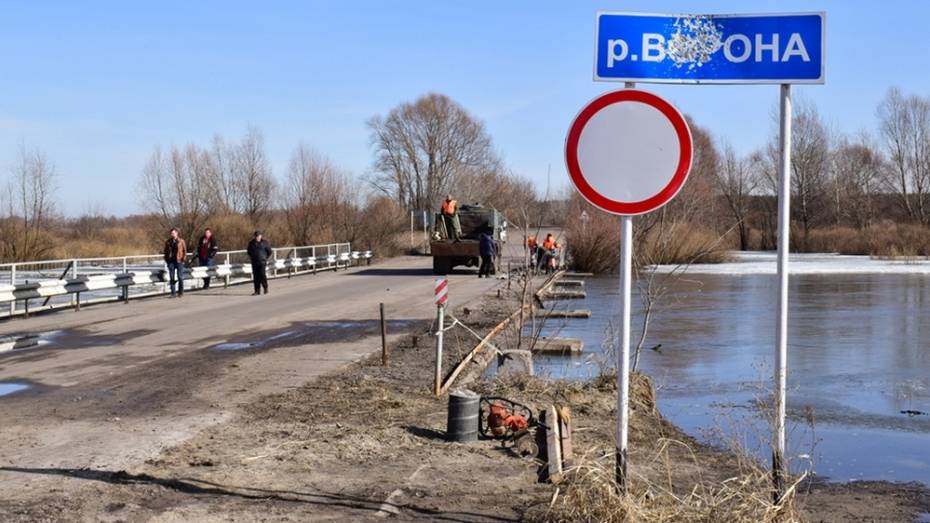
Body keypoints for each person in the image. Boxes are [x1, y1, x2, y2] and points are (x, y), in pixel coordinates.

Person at [247, 230, 272, 295]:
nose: (257, 237)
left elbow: (269, 251)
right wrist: (252, 257)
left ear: (261, 236)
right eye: (256, 236)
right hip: (255, 262)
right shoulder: (251, 243)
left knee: (262, 275)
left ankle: (265, 288)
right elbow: (249, 252)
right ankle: (257, 290)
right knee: (256, 277)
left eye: (258, 236)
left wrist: (265, 257)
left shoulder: (265, 243)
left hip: (262, 262)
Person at [163, 228, 187, 298]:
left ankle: (180, 292)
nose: (172, 234)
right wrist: (167, 261)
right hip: (171, 262)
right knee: (172, 277)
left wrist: (183, 259)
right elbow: (165, 252)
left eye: (173, 233)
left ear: (177, 233)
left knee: (180, 277)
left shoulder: (181, 241)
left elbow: (185, 250)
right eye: (171, 233)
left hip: (179, 261)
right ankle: (173, 293)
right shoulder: (168, 242)